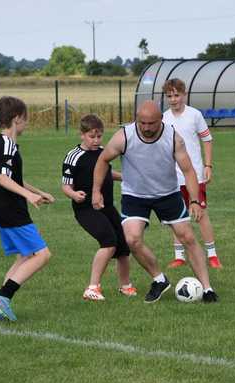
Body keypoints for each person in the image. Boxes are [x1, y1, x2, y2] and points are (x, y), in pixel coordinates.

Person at [92, 100, 218, 303]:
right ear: (136, 120)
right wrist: (96, 191)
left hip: (168, 194)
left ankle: (207, 288)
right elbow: (102, 160)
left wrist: (194, 200)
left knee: (187, 237)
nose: (147, 127)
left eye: (151, 123)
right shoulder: (124, 136)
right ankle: (159, 279)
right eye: (142, 123)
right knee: (131, 239)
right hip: (135, 195)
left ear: (161, 119)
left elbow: (188, 171)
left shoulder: (173, 137)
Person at [0, 96, 54, 322]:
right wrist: (29, 196)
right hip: (11, 210)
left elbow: (14, 178)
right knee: (42, 254)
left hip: (5, 209)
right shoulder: (7, 144)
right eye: (25, 119)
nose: (27, 123)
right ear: (16, 119)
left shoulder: (7, 144)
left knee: (25, 256)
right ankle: (2, 296)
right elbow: (3, 179)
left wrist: (38, 191)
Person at [61, 114, 135, 301]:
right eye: (92, 136)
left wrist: (126, 177)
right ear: (82, 135)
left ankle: (125, 286)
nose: (96, 140)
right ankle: (92, 287)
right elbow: (65, 186)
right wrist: (74, 195)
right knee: (109, 241)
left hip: (107, 207)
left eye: (99, 136)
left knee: (123, 246)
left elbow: (108, 173)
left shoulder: (103, 152)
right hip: (86, 210)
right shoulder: (73, 156)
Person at [162, 78, 222, 269]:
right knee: (176, 217)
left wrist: (208, 165)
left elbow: (207, 140)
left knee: (200, 213)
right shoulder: (164, 118)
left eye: (176, 95)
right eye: (169, 96)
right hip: (172, 177)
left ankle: (212, 255)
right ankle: (179, 256)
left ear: (184, 94)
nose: (173, 99)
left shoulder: (194, 115)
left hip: (194, 175)